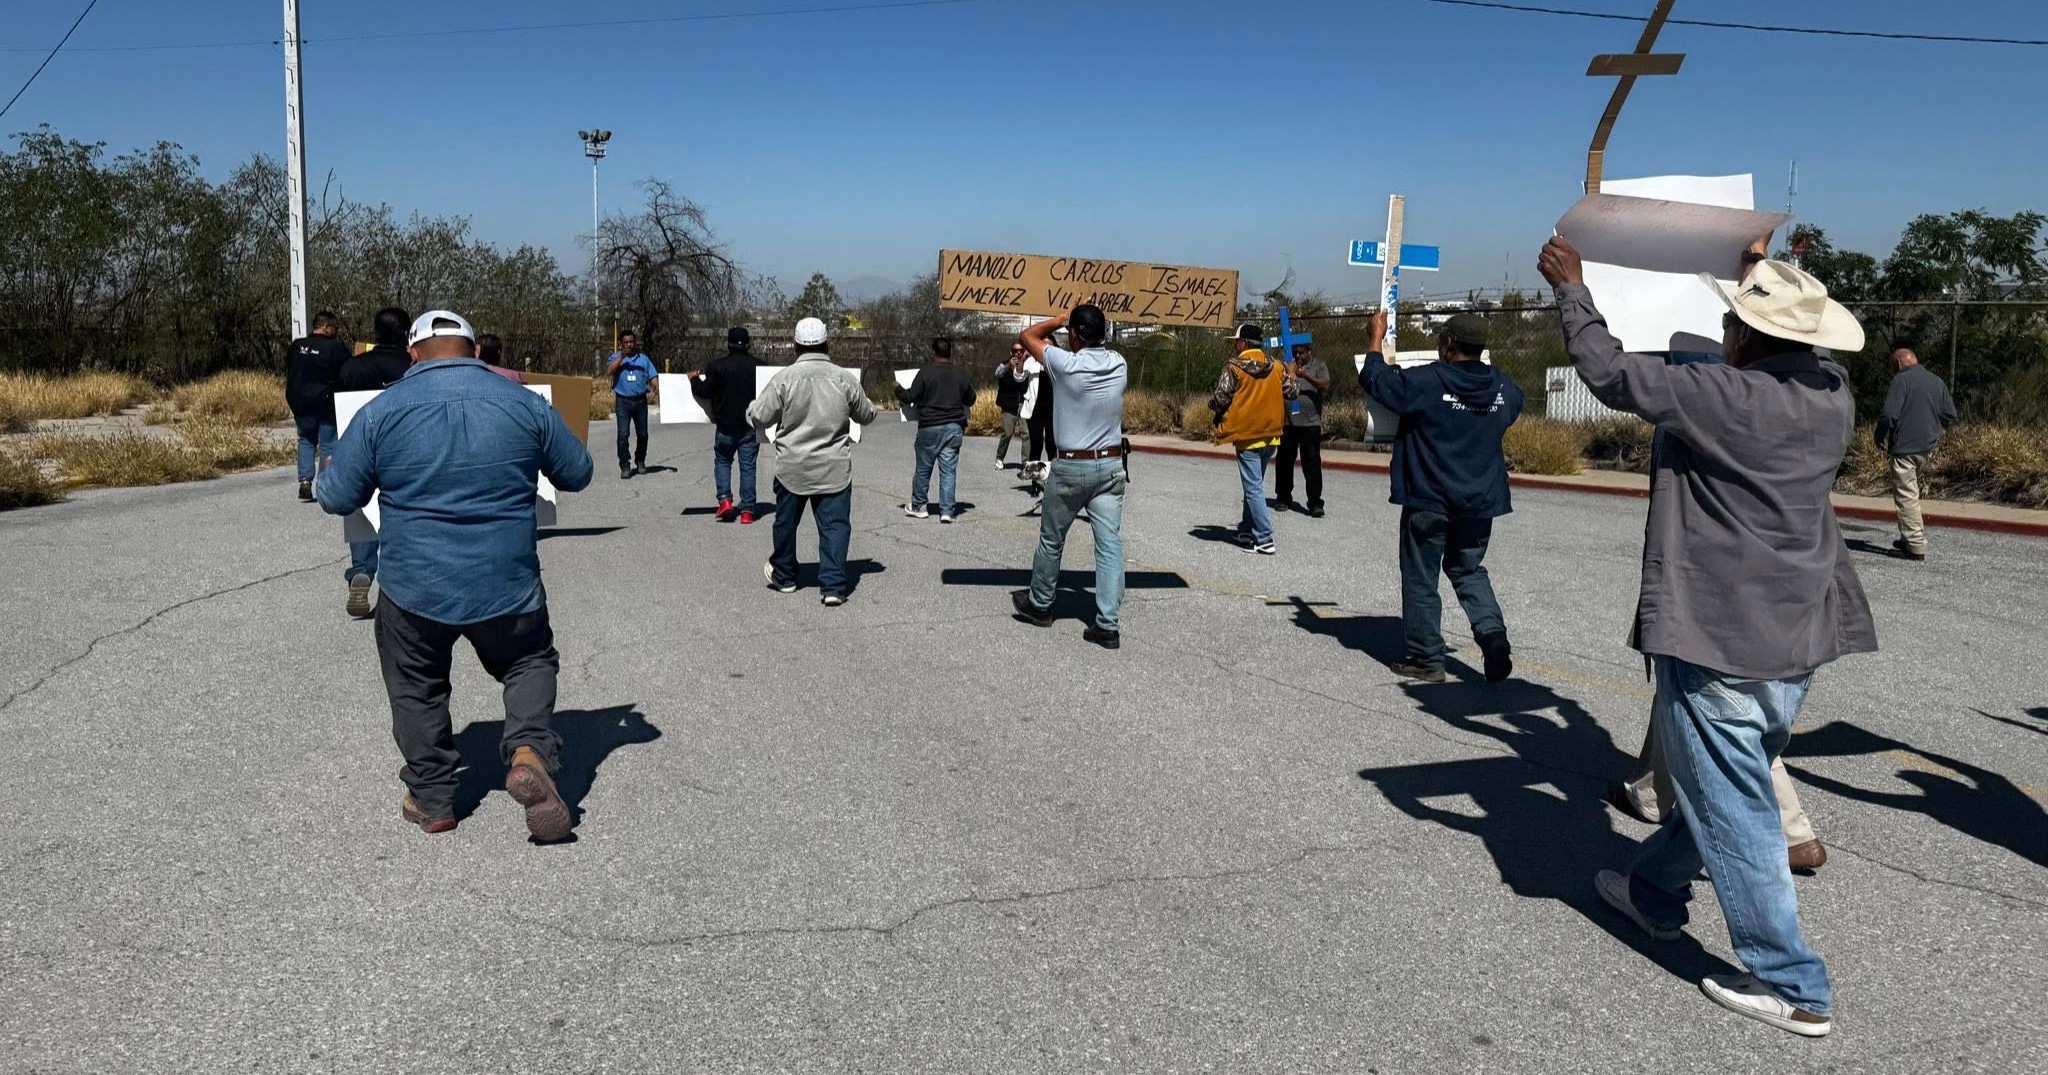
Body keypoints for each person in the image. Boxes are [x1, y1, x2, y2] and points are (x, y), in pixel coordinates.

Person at [1541, 235, 1875, 1038]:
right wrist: (1757, 278)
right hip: (1797, 627)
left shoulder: (1722, 396)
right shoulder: (1832, 392)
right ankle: (1655, 894)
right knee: (1724, 780)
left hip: (1721, 630)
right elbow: (1781, 347)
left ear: (1749, 339)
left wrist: (1572, 288)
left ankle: (1792, 982)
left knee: (1738, 808)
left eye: (1735, 322)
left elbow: (1609, 372)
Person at [315, 309, 594, 841]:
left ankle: (433, 797)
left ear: (414, 354)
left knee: (417, 686)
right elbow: (577, 473)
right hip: (507, 579)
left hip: (414, 585)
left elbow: (337, 497)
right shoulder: (524, 404)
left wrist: (330, 469)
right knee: (528, 660)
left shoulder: (380, 411)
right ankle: (530, 749)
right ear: (472, 351)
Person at [1361, 311, 1523, 684]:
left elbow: (1376, 379)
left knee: (1421, 577)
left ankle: (1427, 658)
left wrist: (1376, 338)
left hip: (1429, 497)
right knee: (1467, 569)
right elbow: (1513, 407)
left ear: (1448, 344)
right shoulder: (1504, 388)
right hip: (1480, 500)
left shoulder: (1429, 381)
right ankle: (1492, 635)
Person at [1009, 304, 1129, 649]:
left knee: (1052, 539)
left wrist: (1058, 320)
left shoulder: (1065, 365)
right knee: (1109, 545)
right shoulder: (1119, 364)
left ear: (1075, 334)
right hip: (1110, 465)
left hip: (1071, 466)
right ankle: (1107, 624)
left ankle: (1041, 604)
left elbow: (1027, 337)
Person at [749, 317, 878, 606]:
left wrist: (750, 410)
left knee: (785, 523)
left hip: (792, 467)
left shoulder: (784, 378)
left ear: (795, 346)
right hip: (833, 467)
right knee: (834, 527)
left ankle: (784, 575)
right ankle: (833, 586)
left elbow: (760, 416)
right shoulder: (844, 378)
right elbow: (867, 415)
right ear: (827, 343)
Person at [333, 306, 415, 620]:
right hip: (407, 451)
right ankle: (403, 586)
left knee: (361, 509)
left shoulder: (353, 367)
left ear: (376, 333)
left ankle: (361, 571)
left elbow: (339, 412)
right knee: (405, 511)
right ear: (407, 334)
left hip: (361, 449)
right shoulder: (415, 367)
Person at [1210, 322, 1297, 555]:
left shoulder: (1233, 367)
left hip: (1247, 435)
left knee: (1253, 488)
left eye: (1236, 342)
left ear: (1244, 343)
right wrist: (1293, 373)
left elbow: (1220, 397)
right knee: (1255, 485)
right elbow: (1292, 392)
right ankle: (1247, 529)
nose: (1235, 346)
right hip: (1271, 435)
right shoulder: (1277, 366)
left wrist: (1215, 410)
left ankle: (1265, 537)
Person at [1874, 348, 1957, 561]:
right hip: (1926, 447)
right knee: (1911, 493)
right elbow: (1949, 415)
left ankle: (1915, 546)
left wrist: (1879, 436)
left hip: (1904, 447)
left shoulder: (1901, 380)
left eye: (1894, 366)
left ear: (1900, 364)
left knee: (1906, 496)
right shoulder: (1937, 381)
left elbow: (1889, 414)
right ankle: (1907, 536)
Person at [902, 336, 976, 522]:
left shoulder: (925, 373)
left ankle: (919, 506)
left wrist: (897, 388)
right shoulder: (961, 374)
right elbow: (971, 399)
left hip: (930, 427)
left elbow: (910, 396)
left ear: (933, 352)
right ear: (950, 353)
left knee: (923, 469)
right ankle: (947, 511)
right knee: (948, 471)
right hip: (954, 427)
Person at [692, 327, 762, 522]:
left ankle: (725, 501)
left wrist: (694, 379)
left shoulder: (717, 366)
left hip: (725, 424)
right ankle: (747, 510)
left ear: (728, 344)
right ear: (748, 344)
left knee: (723, 461)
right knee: (748, 466)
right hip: (750, 425)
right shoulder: (760, 367)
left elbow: (704, 391)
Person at [284, 310, 349, 502]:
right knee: (328, 444)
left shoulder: (297, 346)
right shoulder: (335, 348)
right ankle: (325, 486)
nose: (336, 331)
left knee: (306, 440)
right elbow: (348, 370)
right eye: (335, 327)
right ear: (326, 327)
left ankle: (305, 482)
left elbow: (290, 368)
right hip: (326, 403)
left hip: (300, 403)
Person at [1275, 342, 1330, 517]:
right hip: (1288, 423)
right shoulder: (1287, 366)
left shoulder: (1318, 366)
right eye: (1295, 353)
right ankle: (1283, 497)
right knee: (1284, 461)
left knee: (1311, 463)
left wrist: (1305, 376)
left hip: (1310, 424)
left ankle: (1315, 502)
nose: (1298, 356)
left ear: (1309, 352)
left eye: (1301, 353)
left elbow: (1325, 384)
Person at [606, 329, 658, 479]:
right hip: (623, 401)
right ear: (621, 344)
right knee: (623, 435)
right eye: (626, 342)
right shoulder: (615, 357)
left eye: (631, 342)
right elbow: (610, 370)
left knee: (643, 434)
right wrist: (621, 357)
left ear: (635, 342)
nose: (629, 345)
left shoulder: (643, 359)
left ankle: (640, 460)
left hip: (640, 401)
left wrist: (660, 389)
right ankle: (624, 465)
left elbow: (653, 377)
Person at [993, 342, 1031, 469]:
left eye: (1021, 350)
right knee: (1007, 433)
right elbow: (997, 374)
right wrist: (1009, 365)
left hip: (1024, 403)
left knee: (1026, 433)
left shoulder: (1028, 364)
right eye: (1016, 351)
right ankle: (999, 457)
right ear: (1011, 352)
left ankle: (1026, 461)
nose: (1018, 353)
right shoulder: (1004, 365)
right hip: (1009, 404)